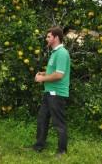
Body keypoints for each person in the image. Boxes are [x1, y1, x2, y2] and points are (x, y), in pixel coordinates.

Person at [33, 27, 71, 158]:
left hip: (57, 93)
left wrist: (43, 78)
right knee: (42, 119)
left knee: (59, 123)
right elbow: (54, 71)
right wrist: (43, 73)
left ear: (56, 38)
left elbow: (59, 75)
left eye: (48, 37)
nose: (46, 39)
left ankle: (62, 151)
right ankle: (38, 146)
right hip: (49, 92)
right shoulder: (54, 52)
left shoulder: (61, 53)